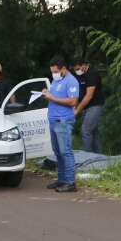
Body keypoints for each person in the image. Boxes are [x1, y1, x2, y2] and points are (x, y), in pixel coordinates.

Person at [42, 57, 80, 193]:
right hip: (53, 120)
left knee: (66, 151)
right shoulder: (57, 80)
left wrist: (51, 97)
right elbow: (54, 95)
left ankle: (70, 182)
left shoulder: (71, 81)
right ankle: (62, 179)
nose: (54, 74)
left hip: (63, 121)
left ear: (64, 68)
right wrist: (47, 93)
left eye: (56, 71)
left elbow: (73, 101)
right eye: (52, 72)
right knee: (58, 152)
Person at [73, 60, 105, 154]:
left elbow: (89, 95)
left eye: (78, 69)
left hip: (95, 106)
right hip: (87, 107)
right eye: (75, 70)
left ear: (84, 65)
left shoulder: (92, 74)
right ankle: (99, 156)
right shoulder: (82, 75)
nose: (77, 71)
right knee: (93, 132)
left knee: (86, 130)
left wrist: (77, 110)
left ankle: (86, 156)